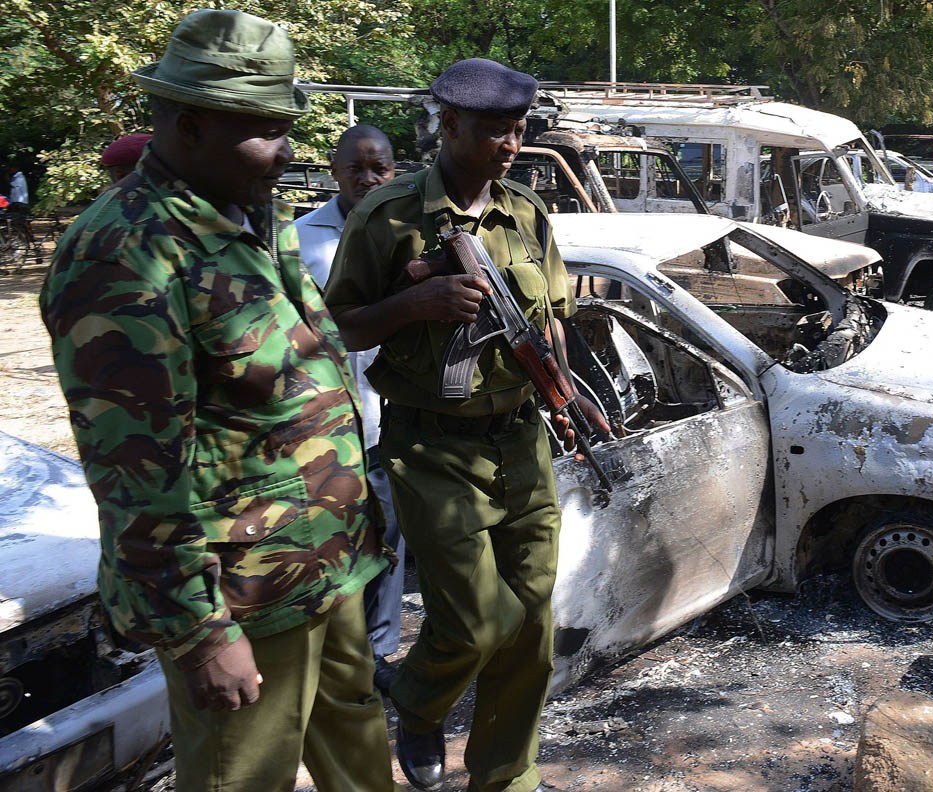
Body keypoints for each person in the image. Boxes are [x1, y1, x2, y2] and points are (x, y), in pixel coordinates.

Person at [39, 10, 396, 792]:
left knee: (362, 759)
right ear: (191, 125)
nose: (288, 149)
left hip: (323, 569)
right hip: (244, 595)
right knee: (241, 776)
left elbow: (306, 371)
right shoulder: (126, 252)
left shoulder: (252, 215)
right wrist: (201, 634)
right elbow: (134, 471)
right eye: (266, 129)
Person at [324, 58, 609, 792]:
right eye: (492, 132)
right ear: (446, 124)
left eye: (517, 131)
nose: (509, 145)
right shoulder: (386, 217)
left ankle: (505, 778)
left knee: (532, 632)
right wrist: (413, 306)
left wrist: (567, 393)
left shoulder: (528, 214)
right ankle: (418, 703)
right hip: (431, 446)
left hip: (521, 439)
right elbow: (338, 327)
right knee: (481, 622)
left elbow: (550, 322)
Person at [294, 124, 404, 689]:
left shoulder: (408, 232)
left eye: (378, 168)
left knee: (388, 539)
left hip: (393, 416)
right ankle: (333, 656)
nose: (367, 179)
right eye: (355, 168)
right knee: (331, 542)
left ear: (393, 170)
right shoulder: (298, 240)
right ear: (335, 170)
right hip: (325, 427)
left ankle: (378, 654)